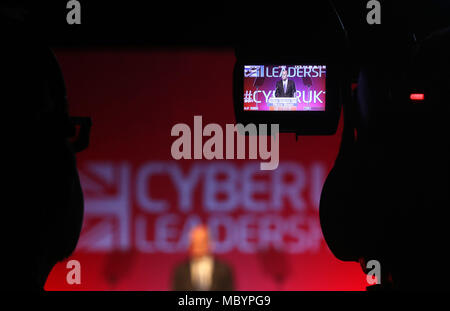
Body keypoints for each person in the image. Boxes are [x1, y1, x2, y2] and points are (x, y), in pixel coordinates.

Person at [172, 225, 234, 291]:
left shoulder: (223, 269)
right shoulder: (180, 270)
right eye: (194, 242)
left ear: (209, 243)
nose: (198, 246)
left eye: (201, 242)